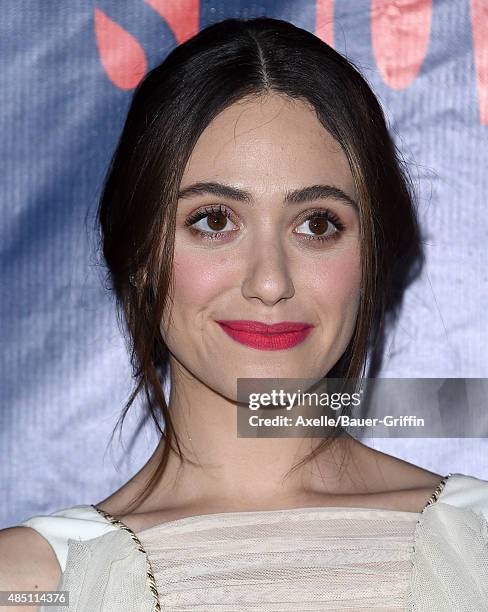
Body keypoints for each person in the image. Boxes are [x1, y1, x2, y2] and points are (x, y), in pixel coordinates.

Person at [2, 16, 488, 611]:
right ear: (137, 252)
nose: (269, 281)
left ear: (371, 255)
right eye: (213, 220)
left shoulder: (480, 538)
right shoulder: (28, 586)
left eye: (316, 224)